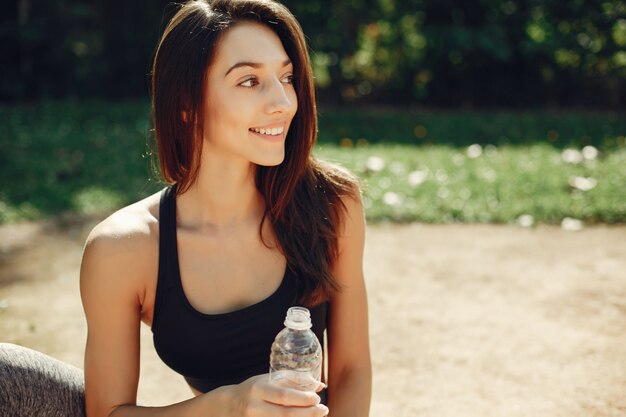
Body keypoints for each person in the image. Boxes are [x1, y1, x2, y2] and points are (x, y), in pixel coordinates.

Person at [0, 0, 371, 416]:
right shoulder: (124, 250)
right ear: (186, 103)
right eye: (249, 81)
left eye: (286, 77)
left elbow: (351, 370)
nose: (283, 102)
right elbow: (108, 411)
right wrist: (230, 405)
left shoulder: (330, 203)